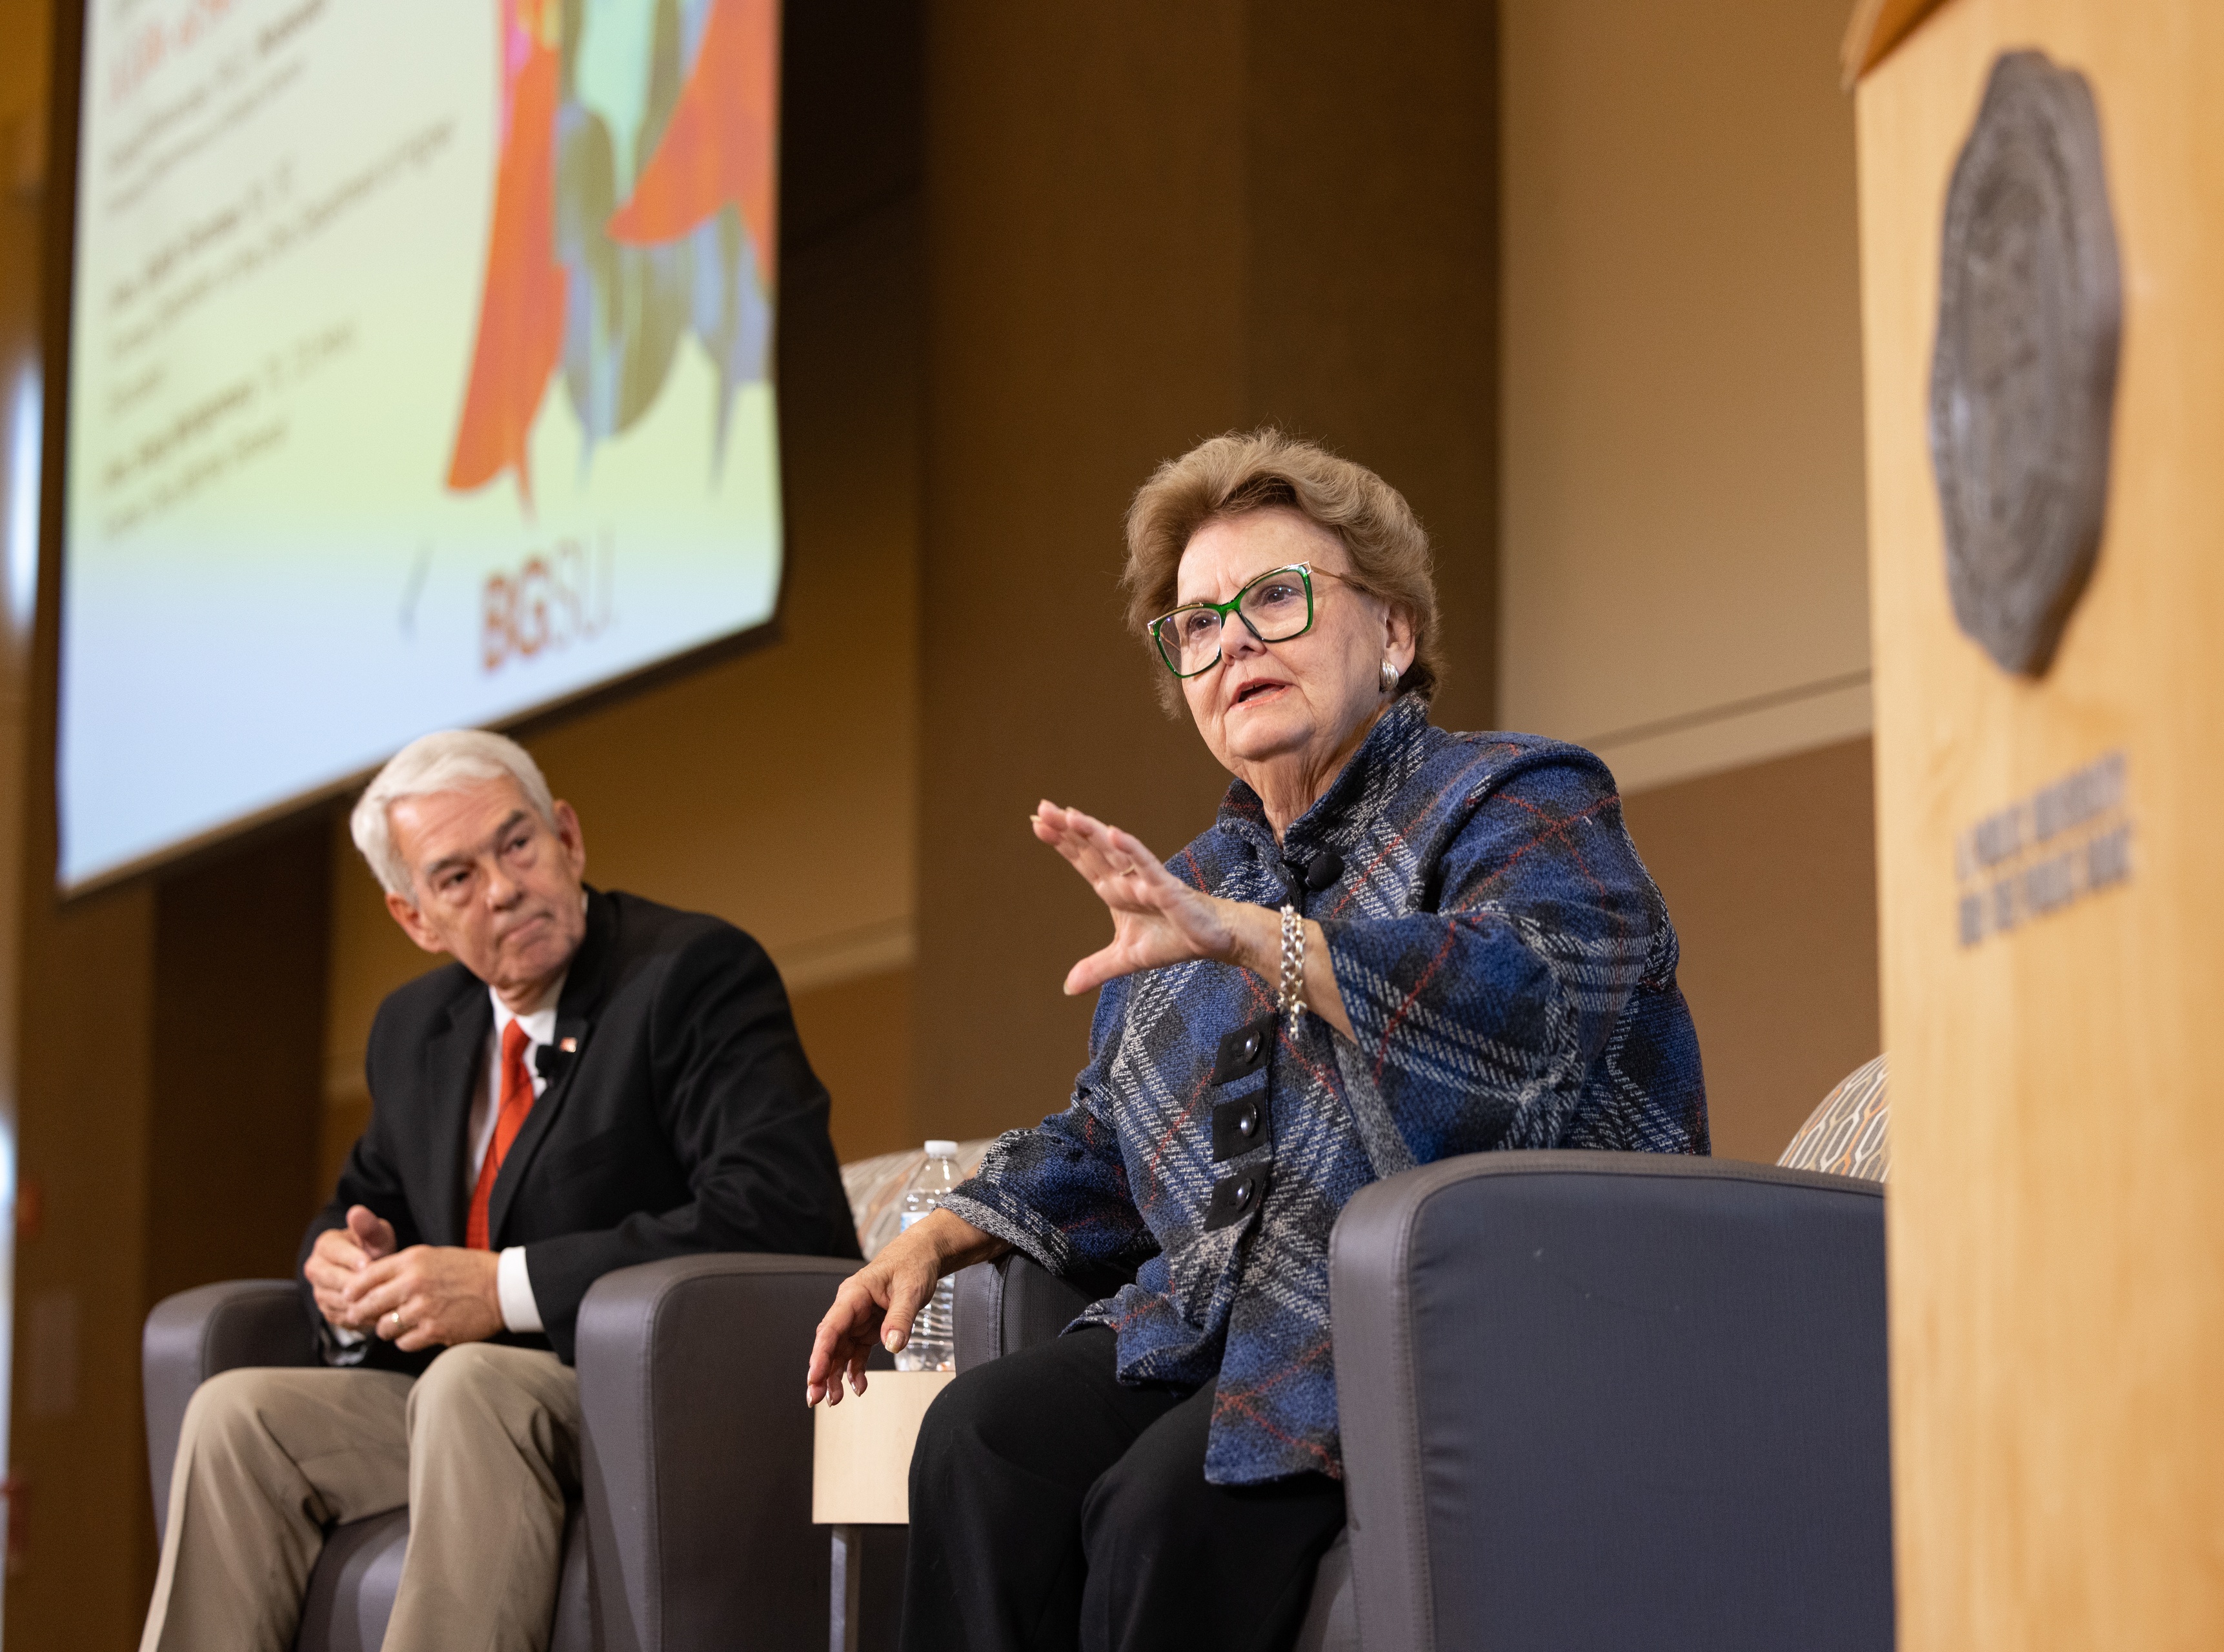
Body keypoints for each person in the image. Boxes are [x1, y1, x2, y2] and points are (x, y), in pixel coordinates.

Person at [805, 430, 1708, 1652]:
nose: (1232, 643)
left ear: (1391, 632)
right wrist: (943, 1229)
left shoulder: (1514, 797)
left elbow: (1540, 998)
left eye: (1274, 599)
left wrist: (1265, 943)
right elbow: (1114, 1141)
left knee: (1156, 1513)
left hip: (1461, 1311)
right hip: (1222, 1321)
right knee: (978, 1441)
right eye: (1196, 625)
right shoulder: (1197, 884)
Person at [142, 730, 861, 1652]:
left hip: (640, 1394)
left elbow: (782, 1209)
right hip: (452, 1403)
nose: (504, 887)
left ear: (567, 837)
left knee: (471, 1380)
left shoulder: (689, 975)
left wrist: (497, 1288)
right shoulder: (416, 1030)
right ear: (415, 919)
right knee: (235, 1416)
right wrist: (339, 1268)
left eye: (517, 845)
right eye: (456, 877)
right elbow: (366, 1199)